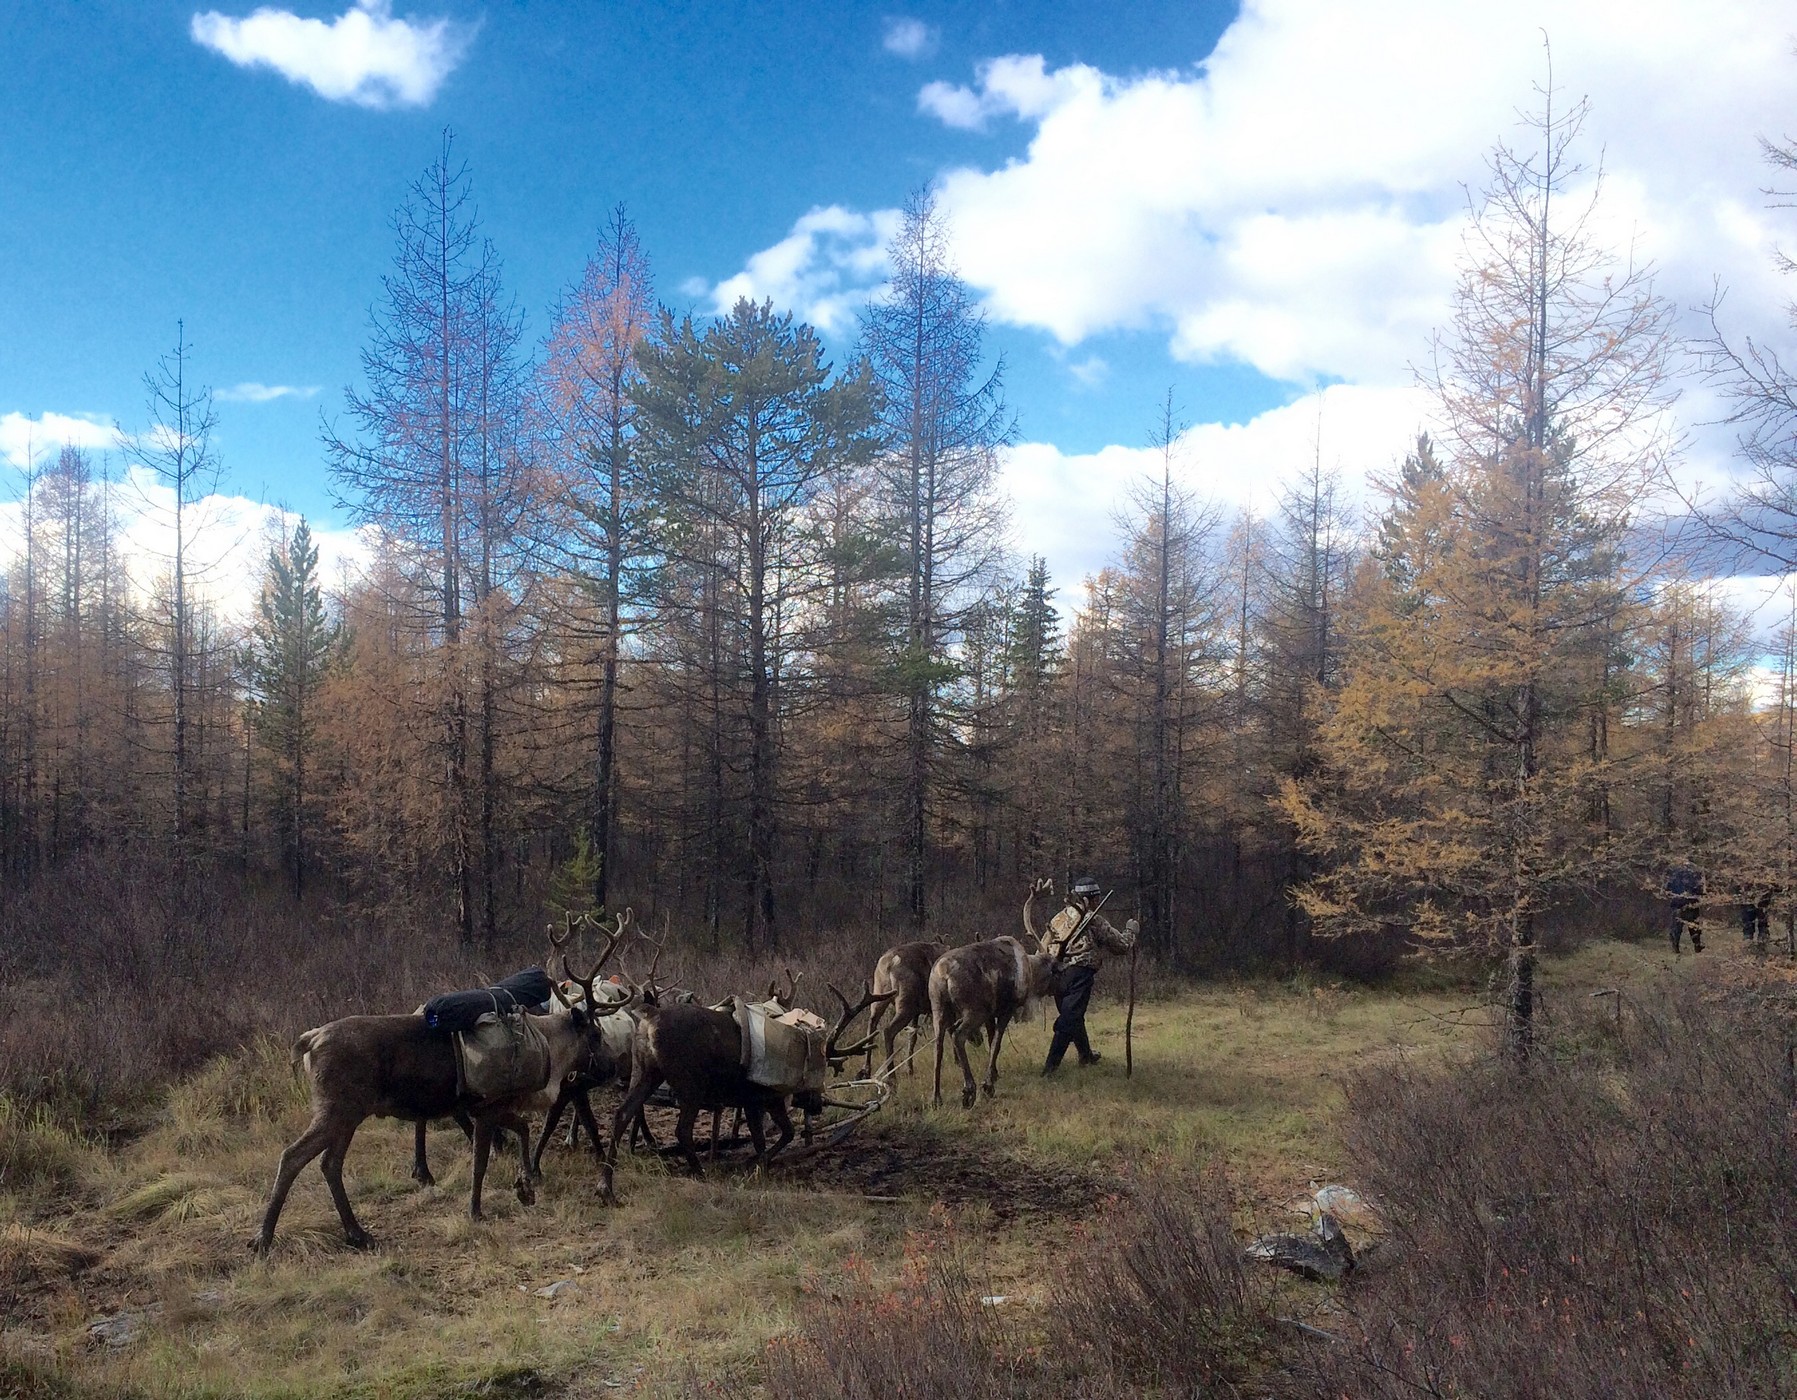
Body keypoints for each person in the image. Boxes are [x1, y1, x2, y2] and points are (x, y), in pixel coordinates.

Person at [1040, 875, 1138, 1074]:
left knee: (1073, 1016)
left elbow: (1043, 946)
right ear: (1091, 899)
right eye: (1096, 898)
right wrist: (1131, 930)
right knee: (1068, 1019)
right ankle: (1050, 1069)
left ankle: (1086, 1055)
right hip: (1079, 974)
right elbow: (1121, 946)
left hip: (1055, 974)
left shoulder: (1059, 917)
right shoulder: (1094, 920)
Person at [1664, 864, 1704, 955]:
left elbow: (1667, 888)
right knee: (1693, 926)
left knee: (1678, 926)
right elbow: (1700, 888)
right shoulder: (1694, 871)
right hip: (1691, 903)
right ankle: (1696, 945)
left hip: (1678, 903)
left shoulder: (1674, 871)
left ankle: (1676, 947)